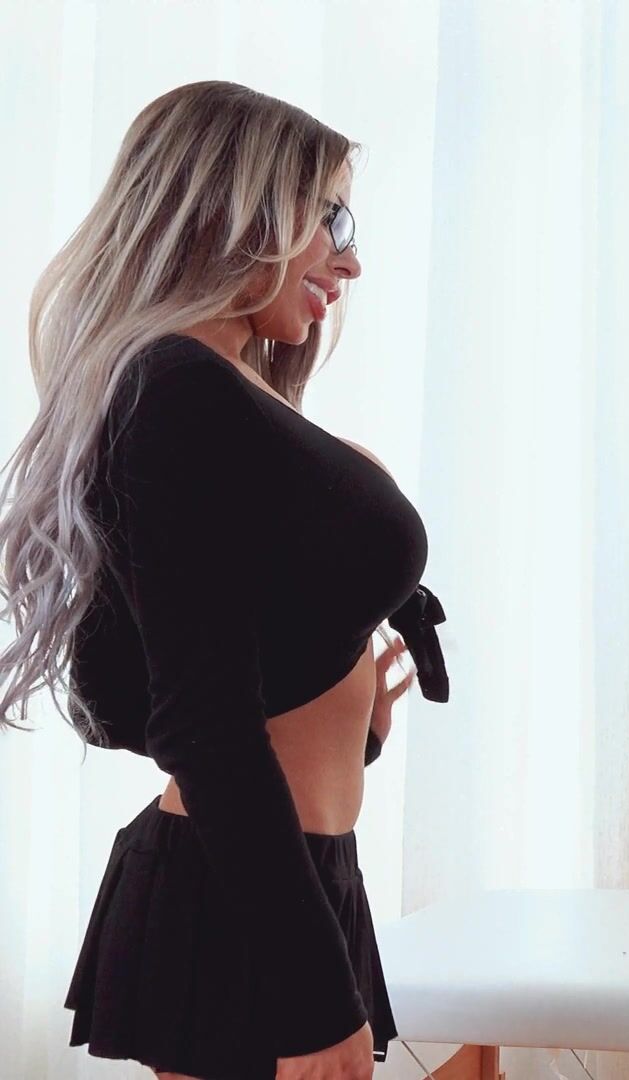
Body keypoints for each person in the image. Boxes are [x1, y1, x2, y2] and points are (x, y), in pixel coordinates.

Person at [0, 81, 446, 1080]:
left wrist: (353, 721)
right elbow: (201, 719)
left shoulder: (219, 384)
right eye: (330, 218)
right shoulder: (173, 388)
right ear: (232, 209)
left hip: (291, 875)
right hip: (241, 903)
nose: (351, 259)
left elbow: (245, 650)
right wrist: (313, 1001)